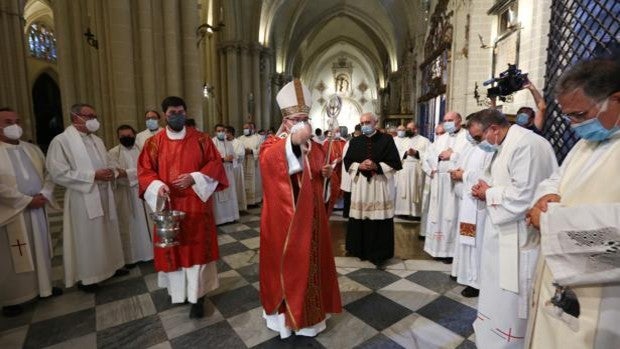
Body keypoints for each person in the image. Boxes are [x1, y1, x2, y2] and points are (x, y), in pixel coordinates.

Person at [525, 59, 620, 348]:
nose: (575, 124)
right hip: (559, 280)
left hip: (605, 299)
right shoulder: (586, 143)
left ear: (615, 100)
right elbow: (555, 180)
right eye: (569, 117)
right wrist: (543, 198)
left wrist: (551, 222)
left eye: (580, 114)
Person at [466, 108, 557, 348]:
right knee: (496, 293)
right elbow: (494, 182)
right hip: (501, 231)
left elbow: (525, 196)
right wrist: (482, 190)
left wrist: (489, 193)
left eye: (478, 137)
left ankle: (510, 342)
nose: (477, 143)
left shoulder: (526, 145)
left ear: (493, 129)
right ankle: (492, 337)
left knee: (512, 298)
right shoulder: (502, 145)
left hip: (519, 236)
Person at [259, 79, 341, 338]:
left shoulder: (316, 147)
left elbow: (323, 184)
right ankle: (284, 320)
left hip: (313, 222)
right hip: (285, 223)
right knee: (287, 266)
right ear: (285, 121)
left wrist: (328, 176)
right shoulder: (272, 145)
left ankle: (311, 318)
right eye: (296, 118)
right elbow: (270, 165)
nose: (302, 122)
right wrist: (293, 142)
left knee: (312, 268)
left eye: (305, 117)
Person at [138, 96, 228, 318]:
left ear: (186, 113)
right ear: (164, 115)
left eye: (180, 112)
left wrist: (195, 177)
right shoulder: (153, 143)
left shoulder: (202, 140)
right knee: (173, 251)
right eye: (171, 113)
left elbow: (215, 164)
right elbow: (145, 171)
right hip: (169, 206)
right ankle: (177, 292)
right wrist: (157, 186)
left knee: (196, 250)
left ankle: (198, 297)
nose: (176, 116)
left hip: (197, 205)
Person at [46, 103, 127, 292]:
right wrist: (92, 176)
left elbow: (109, 161)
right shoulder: (62, 141)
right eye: (89, 116)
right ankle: (88, 277)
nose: (94, 120)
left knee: (107, 231)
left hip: (104, 192)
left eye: (94, 116)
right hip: (83, 196)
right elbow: (57, 172)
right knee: (87, 237)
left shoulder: (97, 140)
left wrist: (112, 171)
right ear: (75, 117)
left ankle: (110, 267)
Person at [0, 108, 62, 317]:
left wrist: (44, 193)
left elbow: (49, 174)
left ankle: (44, 287)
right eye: (8, 122)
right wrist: (26, 200)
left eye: (17, 121)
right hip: (12, 213)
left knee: (41, 248)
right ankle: (13, 298)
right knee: (12, 255)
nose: (14, 125)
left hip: (38, 208)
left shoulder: (32, 149)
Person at [344, 112, 402, 269]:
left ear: (375, 123)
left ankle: (379, 254)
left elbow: (395, 162)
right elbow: (348, 161)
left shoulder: (387, 140)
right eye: (362, 123)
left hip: (379, 184)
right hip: (361, 185)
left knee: (379, 219)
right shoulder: (355, 141)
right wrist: (358, 166)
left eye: (368, 122)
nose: (365, 125)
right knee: (360, 217)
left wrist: (378, 166)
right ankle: (358, 249)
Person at [448, 118, 494, 297]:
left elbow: (486, 176)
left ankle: (477, 281)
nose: (470, 135)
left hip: (480, 205)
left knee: (477, 242)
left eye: (474, 132)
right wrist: (458, 172)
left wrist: (463, 174)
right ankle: (465, 274)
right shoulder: (473, 147)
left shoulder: (490, 149)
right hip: (468, 203)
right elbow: (464, 165)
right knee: (467, 240)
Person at [424, 112, 471, 262]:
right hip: (440, 181)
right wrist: (439, 156)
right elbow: (428, 156)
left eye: (450, 120)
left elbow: (471, 158)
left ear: (459, 120)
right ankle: (437, 249)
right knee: (438, 215)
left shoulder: (467, 137)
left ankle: (451, 251)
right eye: (445, 120)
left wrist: (453, 155)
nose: (447, 123)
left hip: (456, 182)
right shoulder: (441, 138)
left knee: (452, 215)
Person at [108, 125, 153, 267]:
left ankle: (150, 253)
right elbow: (114, 172)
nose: (126, 138)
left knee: (148, 223)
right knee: (127, 223)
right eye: (122, 136)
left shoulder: (143, 149)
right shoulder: (113, 153)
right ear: (118, 137)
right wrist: (134, 173)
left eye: (129, 135)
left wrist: (126, 173)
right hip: (125, 193)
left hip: (145, 191)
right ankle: (131, 257)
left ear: (134, 135)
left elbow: (148, 168)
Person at [394, 122, 430, 218]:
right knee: (403, 189)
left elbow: (428, 155)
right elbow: (398, 153)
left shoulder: (424, 141)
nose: (407, 130)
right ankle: (402, 212)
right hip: (404, 168)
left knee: (416, 189)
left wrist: (416, 153)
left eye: (410, 128)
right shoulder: (403, 141)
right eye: (407, 128)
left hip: (417, 169)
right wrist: (405, 153)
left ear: (416, 129)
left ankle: (415, 213)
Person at [211, 123, 239, 225]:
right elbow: (210, 159)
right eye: (218, 131)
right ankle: (220, 219)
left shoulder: (229, 143)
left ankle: (231, 217)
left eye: (222, 130)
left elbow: (234, 157)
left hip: (229, 172)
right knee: (219, 194)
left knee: (230, 192)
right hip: (219, 172)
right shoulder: (212, 142)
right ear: (215, 132)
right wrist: (223, 159)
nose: (221, 132)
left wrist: (232, 159)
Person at [238, 121, 263, 205]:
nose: (245, 130)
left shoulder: (258, 138)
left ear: (251, 129)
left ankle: (255, 200)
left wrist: (252, 151)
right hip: (243, 162)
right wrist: (243, 152)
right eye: (244, 128)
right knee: (244, 181)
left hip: (253, 162)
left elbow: (262, 149)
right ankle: (245, 200)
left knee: (254, 181)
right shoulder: (240, 138)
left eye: (247, 128)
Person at [324, 127, 347, 216]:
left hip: (342, 168)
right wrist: (333, 162)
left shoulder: (344, 142)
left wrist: (342, 159)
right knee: (333, 186)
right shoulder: (326, 143)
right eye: (335, 131)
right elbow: (324, 156)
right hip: (332, 169)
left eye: (338, 131)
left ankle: (341, 205)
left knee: (342, 185)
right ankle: (332, 204)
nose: (337, 133)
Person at [226, 126, 247, 212]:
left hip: (236, 168)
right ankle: (230, 208)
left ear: (231, 133)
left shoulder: (238, 142)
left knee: (237, 187)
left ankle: (239, 207)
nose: (225, 134)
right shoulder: (224, 142)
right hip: (227, 168)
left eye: (226, 132)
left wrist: (231, 157)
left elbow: (240, 154)